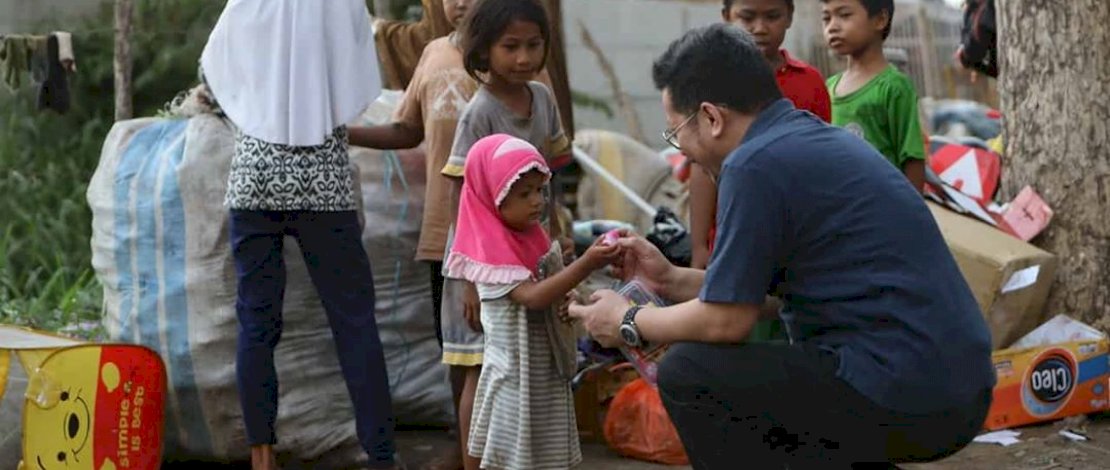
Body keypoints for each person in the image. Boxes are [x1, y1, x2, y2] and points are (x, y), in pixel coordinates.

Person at [569, 24, 995, 469]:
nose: (686, 153)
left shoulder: (755, 165)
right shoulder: (799, 140)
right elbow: (763, 297)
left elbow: (727, 320)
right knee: (782, 386)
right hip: (951, 384)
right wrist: (669, 279)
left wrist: (628, 320)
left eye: (678, 134)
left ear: (712, 118)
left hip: (902, 386)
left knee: (690, 374)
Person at [199, 1, 399, 469]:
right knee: (354, 321)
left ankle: (261, 456)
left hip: (255, 177)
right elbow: (361, 80)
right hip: (322, 179)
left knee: (256, 321)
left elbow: (214, 66)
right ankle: (382, 454)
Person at [446, 134, 616, 470]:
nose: (537, 201)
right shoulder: (491, 250)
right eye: (524, 194)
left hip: (541, 372)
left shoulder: (529, 236)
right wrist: (587, 264)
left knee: (543, 454)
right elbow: (532, 297)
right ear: (491, 196)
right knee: (514, 454)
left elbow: (547, 289)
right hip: (515, 377)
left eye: (540, 190)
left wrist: (568, 295)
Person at [688, 0, 832, 344]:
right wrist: (698, 246)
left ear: (790, 18)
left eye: (772, 17)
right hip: (734, 237)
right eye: (747, 17)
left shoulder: (809, 83)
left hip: (796, 243)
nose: (759, 28)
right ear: (726, 18)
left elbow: (822, 164)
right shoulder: (710, 83)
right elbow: (701, 167)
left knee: (790, 339)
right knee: (734, 333)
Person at [822, 0, 927, 192]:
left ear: (880, 20)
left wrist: (912, 214)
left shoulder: (894, 87)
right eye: (826, 18)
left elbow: (912, 157)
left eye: (844, 15)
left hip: (884, 208)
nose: (832, 27)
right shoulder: (827, 88)